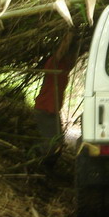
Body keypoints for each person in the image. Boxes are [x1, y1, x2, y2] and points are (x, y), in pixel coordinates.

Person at [32, 32, 76, 163]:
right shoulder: (53, 63)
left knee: (58, 142)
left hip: (53, 110)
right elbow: (62, 50)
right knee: (51, 144)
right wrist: (69, 34)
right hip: (44, 109)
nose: (73, 57)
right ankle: (34, 155)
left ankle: (45, 165)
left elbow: (73, 58)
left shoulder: (66, 66)